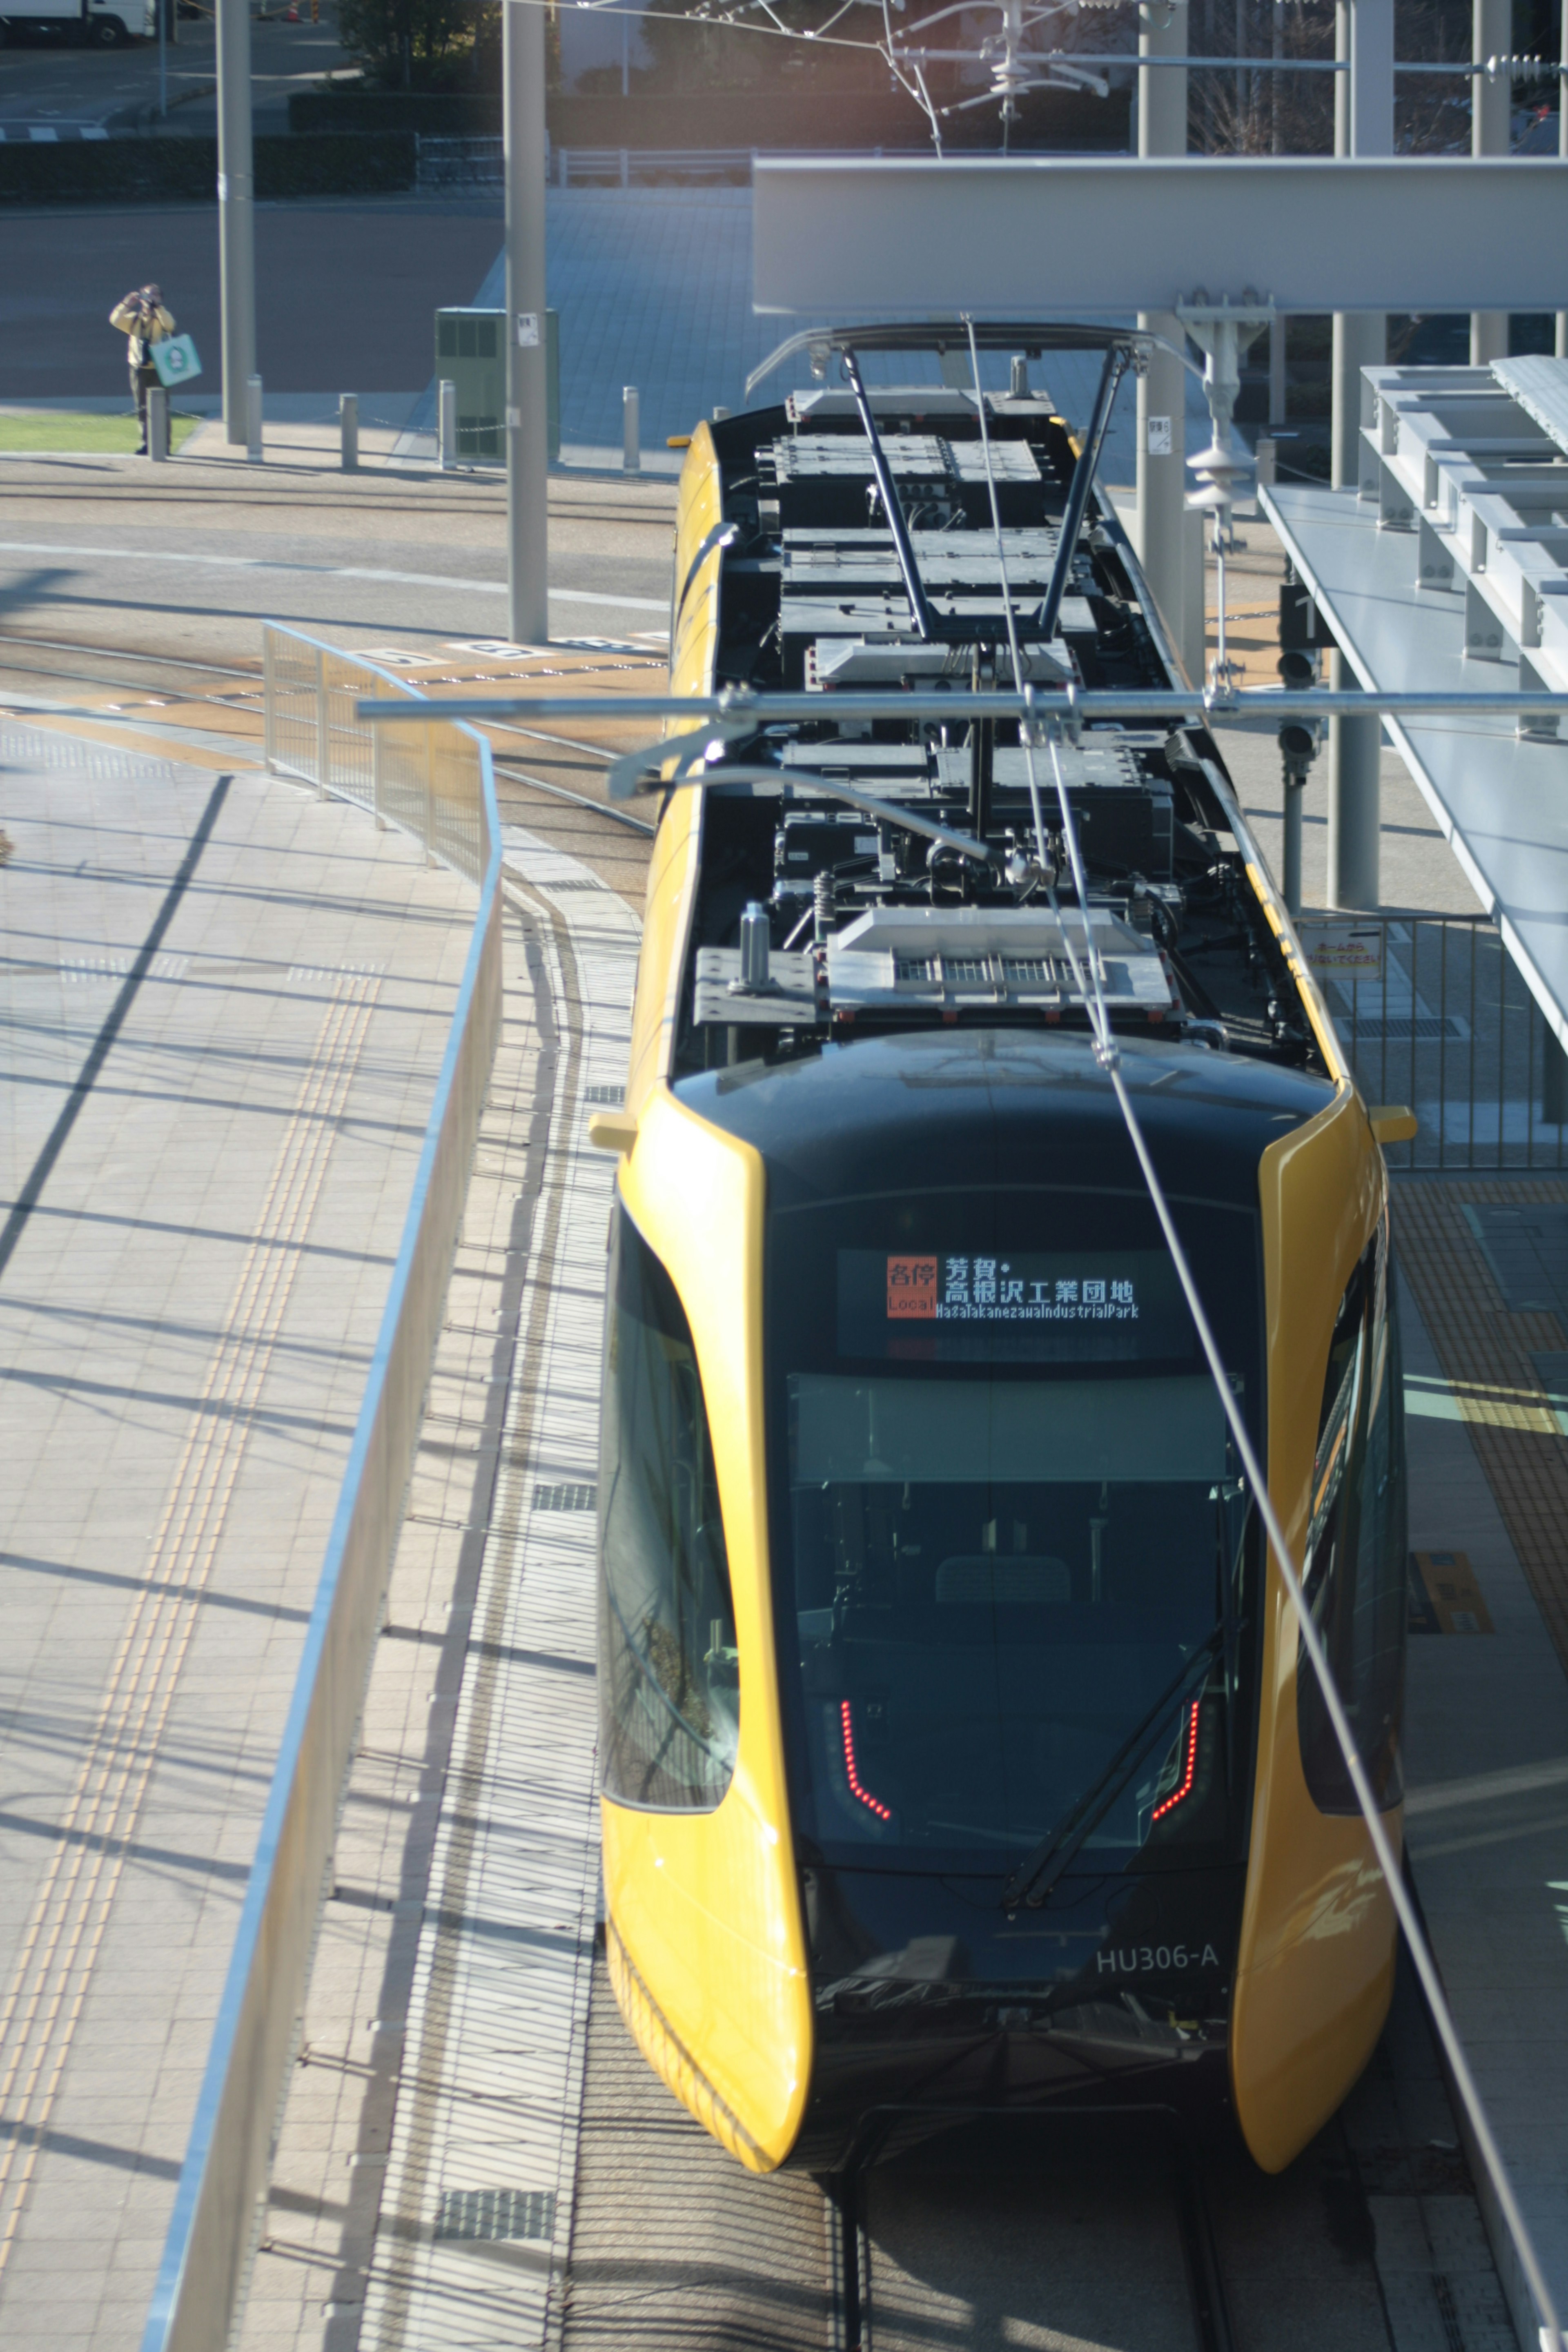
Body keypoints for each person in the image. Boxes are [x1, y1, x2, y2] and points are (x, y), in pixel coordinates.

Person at [110, 284, 176, 456]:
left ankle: (164, 446)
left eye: (156, 295)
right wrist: (126, 304)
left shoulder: (162, 318)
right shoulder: (134, 320)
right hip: (139, 369)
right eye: (148, 295)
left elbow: (170, 326)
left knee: (162, 408)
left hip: (161, 370)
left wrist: (158, 308)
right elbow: (115, 320)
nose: (153, 298)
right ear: (142, 300)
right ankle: (146, 443)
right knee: (142, 409)